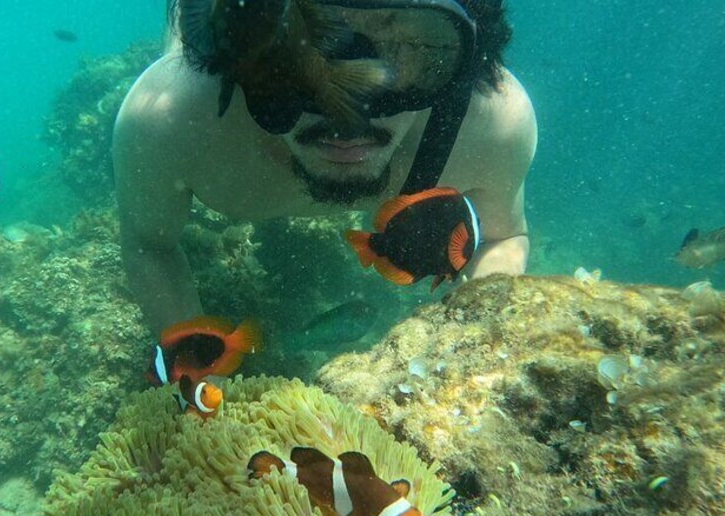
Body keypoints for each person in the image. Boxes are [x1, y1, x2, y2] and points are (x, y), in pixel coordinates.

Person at [114, 0, 537, 332]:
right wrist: (198, 378)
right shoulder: (172, 119)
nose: (347, 114)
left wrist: (471, 348)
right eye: (296, 52)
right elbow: (150, 244)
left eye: (404, 46)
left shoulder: (492, 124)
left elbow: (500, 239)